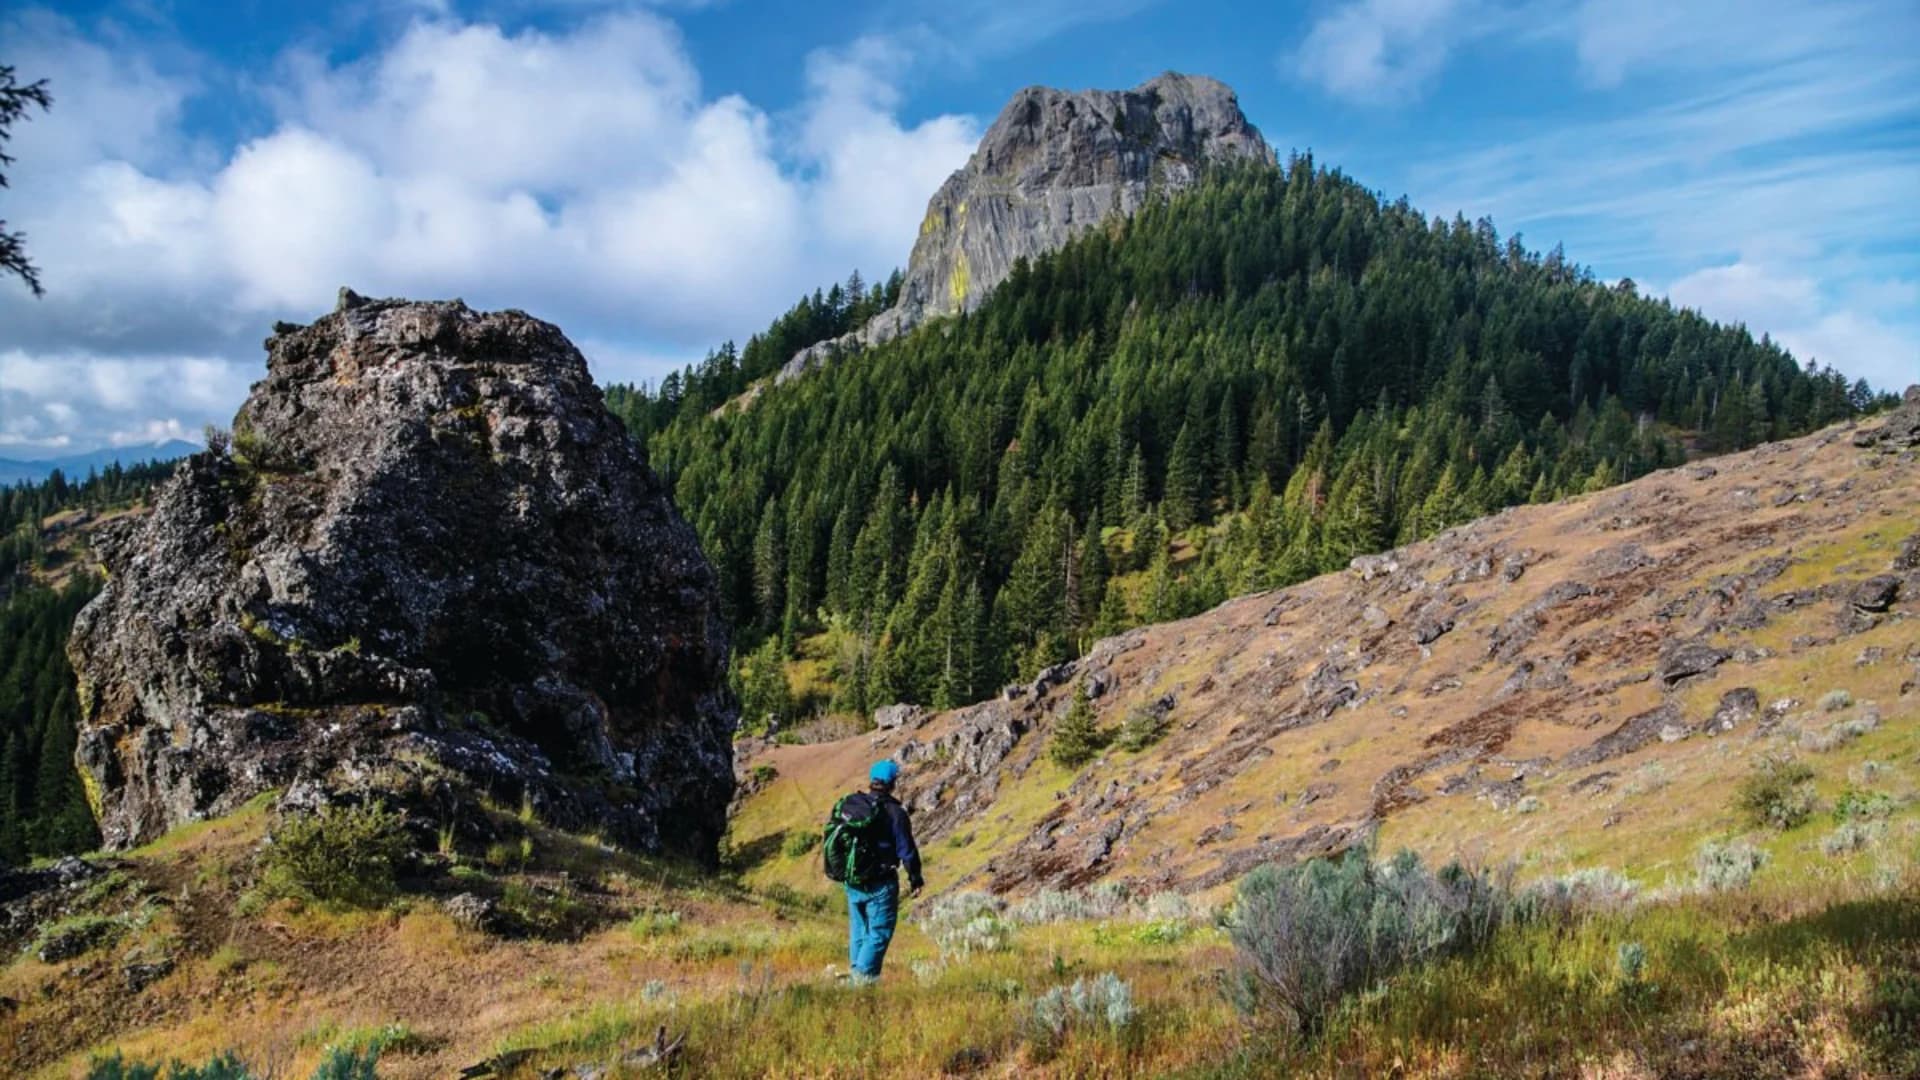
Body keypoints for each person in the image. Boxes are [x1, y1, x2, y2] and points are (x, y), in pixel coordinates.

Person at [844, 759, 923, 983]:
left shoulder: (856, 806)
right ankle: (859, 984)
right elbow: (907, 851)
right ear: (892, 782)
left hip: (853, 881)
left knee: (859, 932)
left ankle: (857, 977)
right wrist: (915, 879)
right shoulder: (895, 813)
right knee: (878, 934)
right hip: (881, 883)